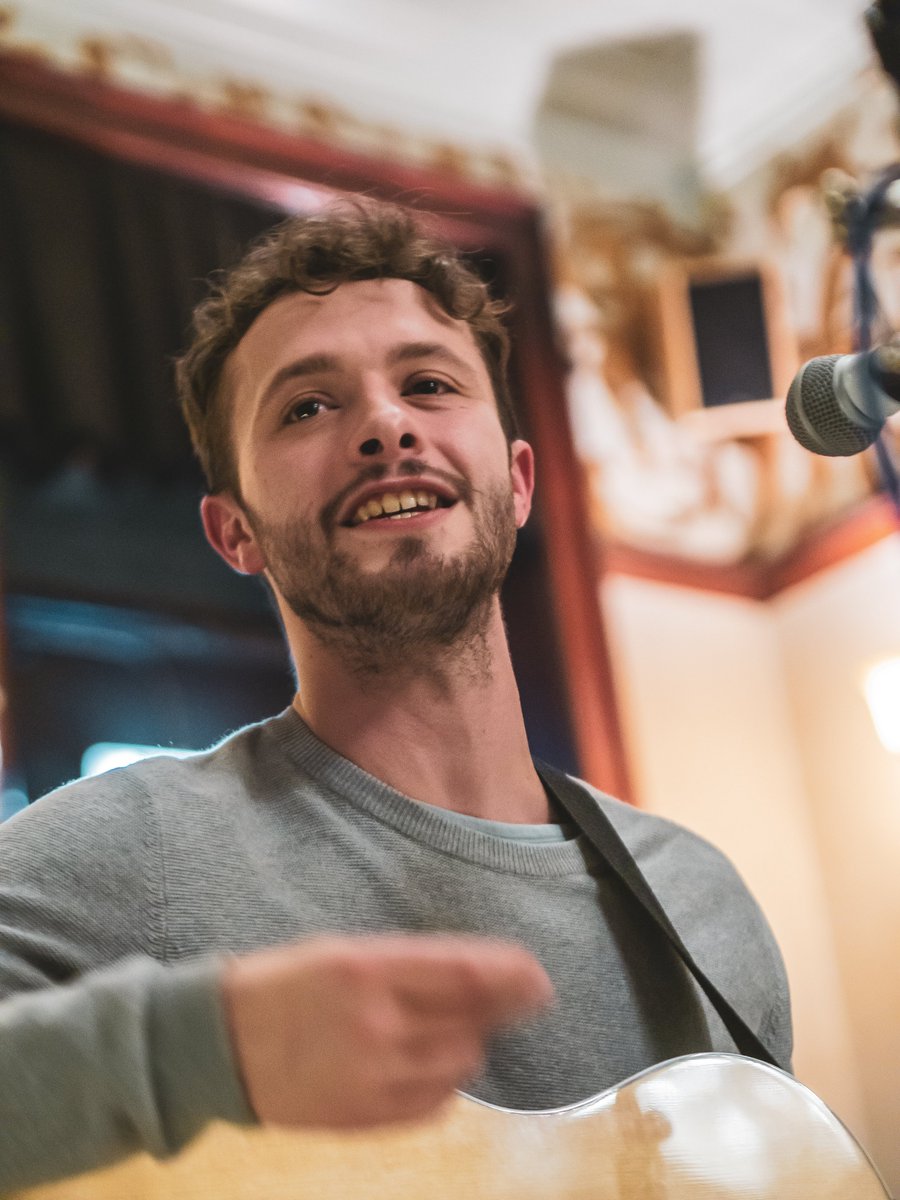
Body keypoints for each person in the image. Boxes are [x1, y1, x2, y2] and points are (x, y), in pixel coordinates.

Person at [0, 197, 792, 1191]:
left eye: (427, 383)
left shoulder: (703, 903)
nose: (385, 425)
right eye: (307, 407)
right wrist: (204, 1052)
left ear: (519, 480)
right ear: (232, 530)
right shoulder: (129, 852)